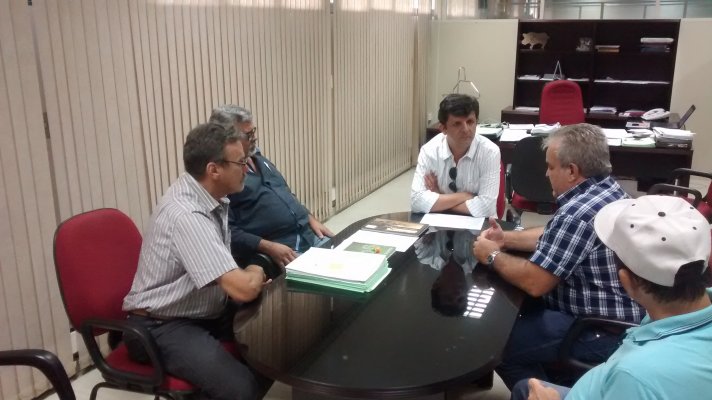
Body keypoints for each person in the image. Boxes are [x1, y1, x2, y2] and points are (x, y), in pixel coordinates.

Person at [472, 123, 644, 389]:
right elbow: (557, 235)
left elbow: (535, 282)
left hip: (598, 329)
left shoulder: (577, 212)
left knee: (496, 345)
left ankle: (553, 392)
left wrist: (492, 255)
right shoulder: (607, 190)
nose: (546, 173)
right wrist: (506, 239)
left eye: (550, 167)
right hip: (624, 316)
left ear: (572, 171)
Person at [511, 195, 712, 400]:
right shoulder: (683, 315)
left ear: (627, 282)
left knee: (524, 384)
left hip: (613, 385)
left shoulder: (635, 375)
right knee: (523, 387)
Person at [123, 123, 270, 400]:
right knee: (242, 390)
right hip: (160, 325)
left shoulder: (209, 197)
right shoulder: (187, 215)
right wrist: (257, 268)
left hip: (202, 309)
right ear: (214, 170)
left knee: (275, 347)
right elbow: (243, 288)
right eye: (240, 163)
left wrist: (248, 277)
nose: (247, 169)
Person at [209, 105, 333, 269]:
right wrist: (268, 247)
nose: (255, 138)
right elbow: (228, 232)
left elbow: (285, 193)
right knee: (336, 277)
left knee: (355, 261)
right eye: (248, 135)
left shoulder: (259, 158)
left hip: (309, 234)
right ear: (226, 138)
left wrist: (310, 218)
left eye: (253, 131)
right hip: (284, 249)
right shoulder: (223, 176)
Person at [410, 93, 500, 217]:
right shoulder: (429, 151)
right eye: (457, 124)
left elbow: (486, 208)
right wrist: (465, 196)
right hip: (440, 222)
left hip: (481, 225)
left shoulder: (490, 152)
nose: (466, 129)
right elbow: (416, 201)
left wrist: (440, 198)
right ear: (443, 128)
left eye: (470, 122)